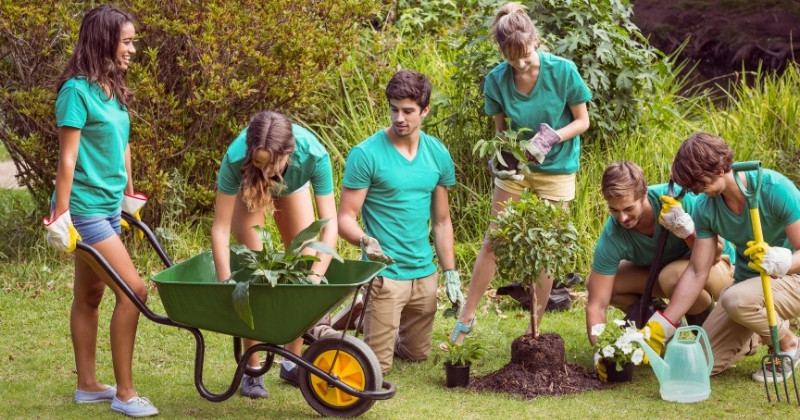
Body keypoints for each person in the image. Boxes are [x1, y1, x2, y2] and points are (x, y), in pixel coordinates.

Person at [451, 1, 592, 344]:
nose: (521, 63)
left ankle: (535, 329)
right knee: (495, 239)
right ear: (502, 51)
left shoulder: (563, 71)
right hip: (518, 165)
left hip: (556, 166)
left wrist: (555, 135)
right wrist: (502, 157)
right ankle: (465, 319)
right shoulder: (497, 80)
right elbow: (501, 131)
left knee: (544, 245)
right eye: (512, 58)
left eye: (526, 55)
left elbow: (582, 120)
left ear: (535, 41)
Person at [42, 5, 158, 417]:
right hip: (86, 211)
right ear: (104, 40)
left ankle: (88, 385)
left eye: (132, 41)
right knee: (134, 292)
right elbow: (67, 160)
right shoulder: (76, 91)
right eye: (126, 41)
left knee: (89, 295)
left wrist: (129, 195)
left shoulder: (111, 86)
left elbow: (123, 146)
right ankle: (125, 394)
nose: (132, 49)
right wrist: (61, 214)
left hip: (110, 208)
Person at [644, 132, 800, 382]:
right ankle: (751, 338)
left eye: (700, 184)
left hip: (792, 279)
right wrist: (663, 324)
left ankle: (788, 343)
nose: (697, 192)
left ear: (718, 169)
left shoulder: (774, 188)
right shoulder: (708, 207)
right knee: (700, 364)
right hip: (749, 288)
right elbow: (697, 271)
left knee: (734, 299)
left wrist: (780, 261)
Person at [337, 69, 461, 374]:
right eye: (394, 109)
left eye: (408, 111)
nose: (399, 118)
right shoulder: (365, 154)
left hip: (423, 275)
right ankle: (323, 331)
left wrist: (451, 273)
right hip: (386, 275)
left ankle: (360, 314)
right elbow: (345, 218)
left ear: (425, 110)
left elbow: (442, 221)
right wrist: (364, 241)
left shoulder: (437, 153)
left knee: (417, 355)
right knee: (377, 368)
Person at [211, 110, 337, 397]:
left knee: (303, 263)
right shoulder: (236, 157)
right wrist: (226, 282)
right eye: (260, 162)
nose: (268, 171)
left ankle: (291, 362)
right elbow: (220, 229)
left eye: (274, 163)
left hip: (294, 184)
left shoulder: (313, 155)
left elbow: (329, 228)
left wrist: (314, 281)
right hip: (248, 186)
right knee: (253, 268)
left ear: (288, 152)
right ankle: (252, 369)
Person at [585, 162, 735, 378]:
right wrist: (601, 351)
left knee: (671, 276)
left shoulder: (680, 201)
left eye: (628, 209)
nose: (622, 218)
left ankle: (706, 321)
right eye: (614, 210)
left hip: (717, 268)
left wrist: (686, 230)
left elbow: (714, 254)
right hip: (666, 274)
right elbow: (596, 305)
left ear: (644, 194)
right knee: (598, 284)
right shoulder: (614, 233)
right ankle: (658, 317)